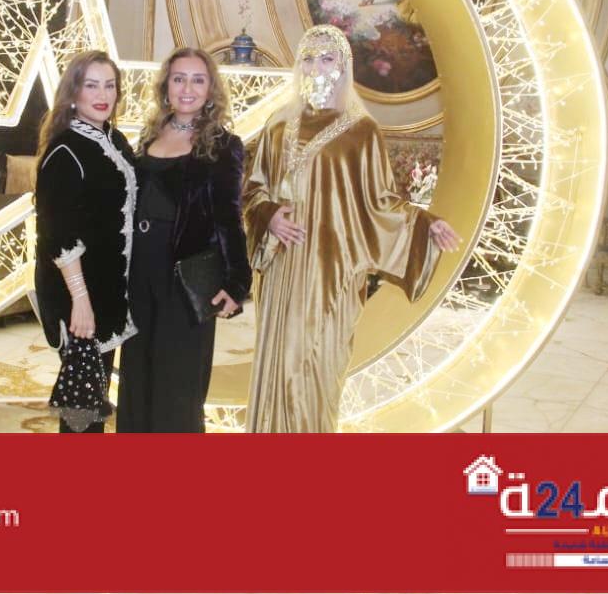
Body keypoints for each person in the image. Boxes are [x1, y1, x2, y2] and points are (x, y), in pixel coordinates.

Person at [242, 25, 460, 432]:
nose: (317, 67)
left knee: (319, 365)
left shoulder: (362, 131)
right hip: (282, 267)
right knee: (279, 359)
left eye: (327, 58)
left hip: (332, 273)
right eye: (309, 58)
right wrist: (268, 214)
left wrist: (424, 223)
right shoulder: (277, 126)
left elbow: (382, 202)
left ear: (344, 66)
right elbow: (253, 189)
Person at [117, 47, 251, 433]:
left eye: (197, 80)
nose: (187, 88)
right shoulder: (147, 136)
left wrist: (237, 283)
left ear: (210, 90)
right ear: (166, 87)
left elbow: (230, 218)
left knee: (178, 388)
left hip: (185, 280)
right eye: (179, 79)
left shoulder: (224, 145)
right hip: (138, 277)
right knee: (138, 382)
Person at [33, 50, 137, 433]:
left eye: (109, 86)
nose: (102, 95)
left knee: (93, 401)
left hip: (106, 295)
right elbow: (57, 234)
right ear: (73, 92)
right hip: (78, 300)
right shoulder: (65, 150)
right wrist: (80, 300)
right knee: (83, 413)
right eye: (91, 85)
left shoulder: (113, 139)